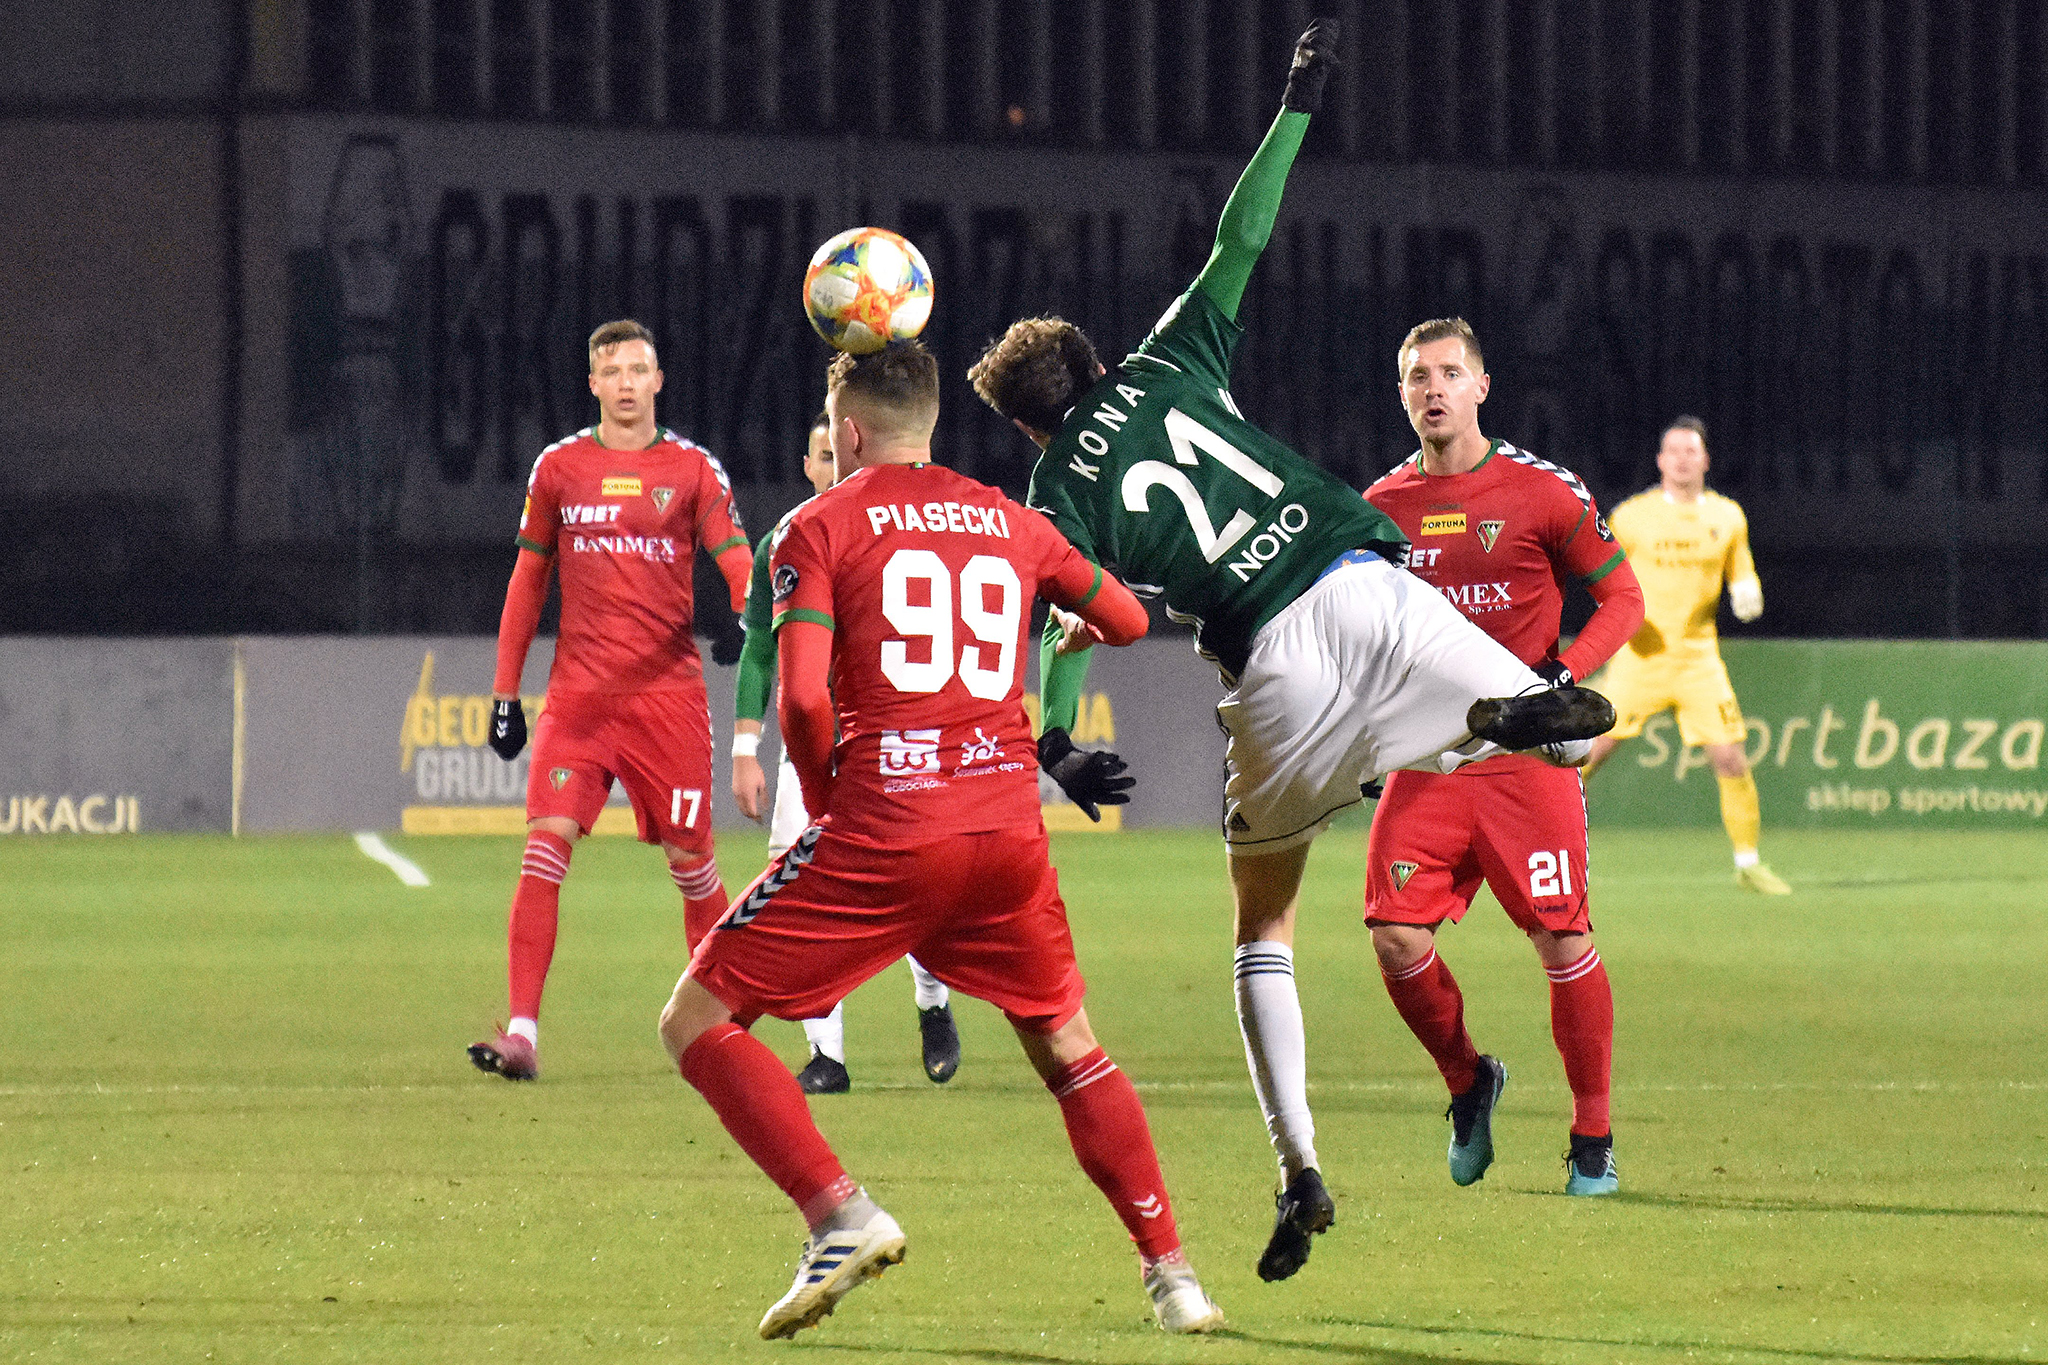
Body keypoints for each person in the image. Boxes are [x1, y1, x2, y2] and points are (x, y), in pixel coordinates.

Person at [967, 19, 1614, 1280]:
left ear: (1028, 428)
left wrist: (1051, 739)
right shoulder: (1167, 361)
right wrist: (1297, 102)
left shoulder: (1056, 493)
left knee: (1261, 930)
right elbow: (1240, 237)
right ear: (1095, 360)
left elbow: (1074, 619)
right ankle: (1493, 710)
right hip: (1371, 583)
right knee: (1548, 724)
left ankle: (1299, 1165)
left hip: (1271, 667)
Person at [659, 341, 1224, 1338]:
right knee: (1069, 1047)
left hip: (887, 827)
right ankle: (1173, 1276)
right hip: (1004, 832)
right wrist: (1069, 629)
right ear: (930, 421)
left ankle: (838, 1213)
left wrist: (827, 802)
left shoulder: (817, 525)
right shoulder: (1008, 518)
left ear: (846, 431)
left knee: (695, 1018)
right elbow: (1129, 618)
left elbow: (801, 697)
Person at [1363, 317, 1645, 1197]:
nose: (1434, 389)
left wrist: (1564, 673)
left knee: (1564, 941)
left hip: (1526, 763)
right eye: (1418, 376)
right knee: (1395, 934)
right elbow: (1360, 634)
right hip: (1431, 758)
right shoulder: (1379, 509)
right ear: (1401, 393)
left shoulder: (1543, 491)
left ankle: (1592, 1136)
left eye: (1450, 373)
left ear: (1482, 386)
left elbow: (1623, 597)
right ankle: (1468, 1080)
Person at [468, 319, 752, 1081]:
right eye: (612, 371)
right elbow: (528, 581)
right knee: (544, 846)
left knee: (693, 866)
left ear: (659, 380)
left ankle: (722, 1029)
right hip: (579, 704)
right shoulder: (559, 468)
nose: (626, 383)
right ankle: (522, 1032)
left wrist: (747, 616)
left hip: (667, 702)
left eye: (638, 369)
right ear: (592, 383)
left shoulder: (692, 469)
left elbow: (735, 556)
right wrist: (505, 692)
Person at [730, 410, 961, 1094]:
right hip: (813, 745)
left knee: (911, 882)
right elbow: (758, 648)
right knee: (801, 888)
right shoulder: (784, 538)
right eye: (822, 456)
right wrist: (744, 747)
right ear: (808, 465)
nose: (834, 466)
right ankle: (826, 1055)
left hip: (895, 736)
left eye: (840, 452)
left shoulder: (905, 529)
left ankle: (933, 1003)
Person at [1583, 417, 1790, 894]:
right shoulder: (1631, 516)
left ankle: (1748, 863)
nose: (1681, 459)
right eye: (1673, 451)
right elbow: (1602, 576)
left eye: (1690, 451)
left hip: (1698, 660)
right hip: (1641, 657)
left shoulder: (1727, 517)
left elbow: (1742, 572)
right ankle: (1534, 841)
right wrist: (1619, 615)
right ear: (1660, 461)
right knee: (1587, 755)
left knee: (1731, 759)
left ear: (1705, 460)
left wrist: (1747, 591)